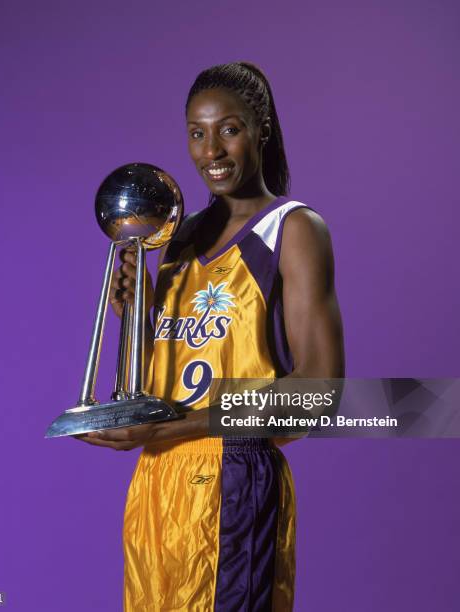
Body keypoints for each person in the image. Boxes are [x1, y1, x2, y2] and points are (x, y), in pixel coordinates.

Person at [77, 61, 344, 611]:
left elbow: (321, 393)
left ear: (261, 129)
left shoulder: (292, 230)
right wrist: (138, 315)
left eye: (229, 128)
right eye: (197, 134)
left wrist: (184, 425)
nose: (211, 151)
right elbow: (173, 375)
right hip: (157, 479)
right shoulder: (178, 237)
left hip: (235, 477)